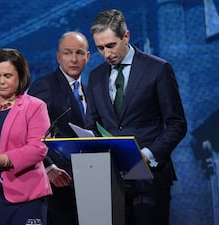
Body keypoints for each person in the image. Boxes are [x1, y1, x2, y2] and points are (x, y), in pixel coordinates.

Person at [85, 9, 187, 225]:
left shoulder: (158, 69)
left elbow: (177, 124)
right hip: (112, 180)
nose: (106, 54)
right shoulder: (94, 77)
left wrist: (147, 154)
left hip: (151, 179)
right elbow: (91, 125)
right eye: (100, 48)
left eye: (111, 45)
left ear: (126, 36)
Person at [0, 48, 52, 225]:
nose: (1, 81)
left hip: (22, 197)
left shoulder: (35, 106)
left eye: (8, 76)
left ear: (20, 77)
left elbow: (38, 148)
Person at [28, 31, 90, 225]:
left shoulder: (89, 91)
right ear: (58, 57)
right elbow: (29, 129)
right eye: (67, 53)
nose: (73, 59)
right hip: (57, 182)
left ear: (87, 57)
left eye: (79, 53)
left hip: (88, 181)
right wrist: (47, 166)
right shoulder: (45, 86)